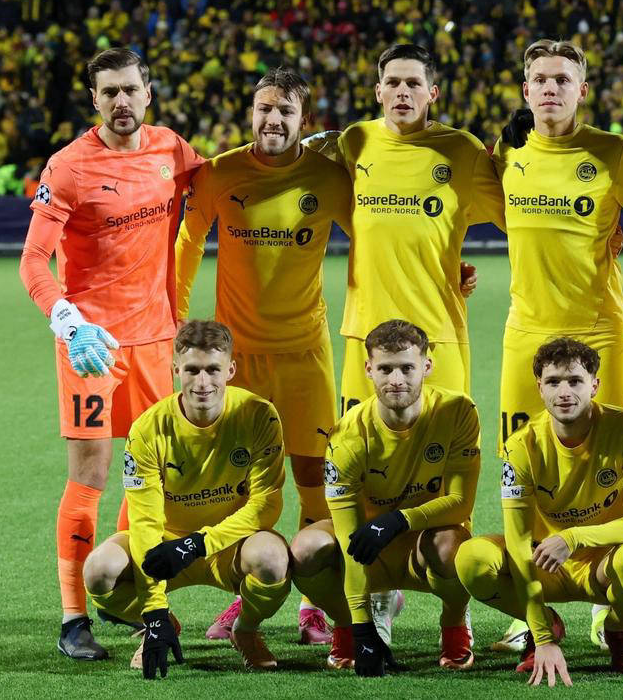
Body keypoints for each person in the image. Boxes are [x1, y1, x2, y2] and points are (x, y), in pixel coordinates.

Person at [304, 42, 497, 639]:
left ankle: (456, 612)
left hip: (439, 335)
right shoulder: (355, 142)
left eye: (415, 83)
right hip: (365, 335)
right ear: (378, 90)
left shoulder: (461, 150)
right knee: (360, 470)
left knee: (449, 477)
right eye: (394, 82)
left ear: (433, 92)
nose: (404, 92)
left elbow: (516, 207)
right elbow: (306, 161)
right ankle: (374, 600)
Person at [19, 47, 203, 659]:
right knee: (91, 476)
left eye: (130, 90)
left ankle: (123, 593)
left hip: (157, 340)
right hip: (92, 347)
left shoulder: (172, 150)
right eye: (109, 92)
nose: (121, 102)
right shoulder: (69, 166)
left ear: (148, 93)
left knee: (150, 474)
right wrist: (67, 322)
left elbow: (230, 180)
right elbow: (33, 261)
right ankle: (73, 618)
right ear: (94, 100)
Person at [486, 38, 623, 651]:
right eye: (540, 79)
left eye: (563, 79)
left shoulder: (612, 152)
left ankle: (605, 590)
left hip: (598, 332)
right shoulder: (508, 152)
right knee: (523, 464)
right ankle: (532, 602)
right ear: (525, 90)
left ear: (582, 90)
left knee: (609, 462)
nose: (550, 88)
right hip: (526, 331)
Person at [173, 67, 352, 644]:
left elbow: (375, 239)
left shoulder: (328, 177)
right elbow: (188, 240)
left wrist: (450, 270)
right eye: (265, 109)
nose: (273, 120)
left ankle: (314, 605)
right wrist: (176, 316)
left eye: (285, 111)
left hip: (305, 355)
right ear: (252, 113)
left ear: (305, 119)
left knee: (313, 480)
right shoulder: (221, 173)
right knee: (241, 483)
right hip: (240, 359)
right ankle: (245, 595)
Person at [81, 320, 291, 678]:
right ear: (176, 369)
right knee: (99, 571)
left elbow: (265, 506)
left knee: (272, 558)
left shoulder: (258, 415)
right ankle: (162, 625)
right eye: (192, 370)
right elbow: (144, 521)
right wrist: (154, 612)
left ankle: (244, 629)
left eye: (213, 370)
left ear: (231, 370)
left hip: (228, 545)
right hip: (165, 545)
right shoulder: (147, 429)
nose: (203, 382)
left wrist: (198, 544)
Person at [456, 337, 623, 685]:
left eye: (575, 381)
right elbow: (519, 543)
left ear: (594, 385)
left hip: (604, 563)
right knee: (471, 559)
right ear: (540, 388)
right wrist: (543, 637)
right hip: (544, 562)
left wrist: (574, 537)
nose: (564, 392)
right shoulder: (521, 445)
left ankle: (616, 628)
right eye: (553, 382)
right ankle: (545, 624)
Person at [289, 320, 481, 675]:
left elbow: (460, 503)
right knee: (305, 549)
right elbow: (348, 536)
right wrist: (360, 627)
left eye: (407, 368)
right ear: (368, 369)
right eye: (385, 369)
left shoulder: (457, 412)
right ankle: (346, 626)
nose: (396, 380)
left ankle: (454, 623)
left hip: (425, 539)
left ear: (426, 366)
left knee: (456, 550)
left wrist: (400, 520)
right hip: (366, 543)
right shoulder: (346, 435)